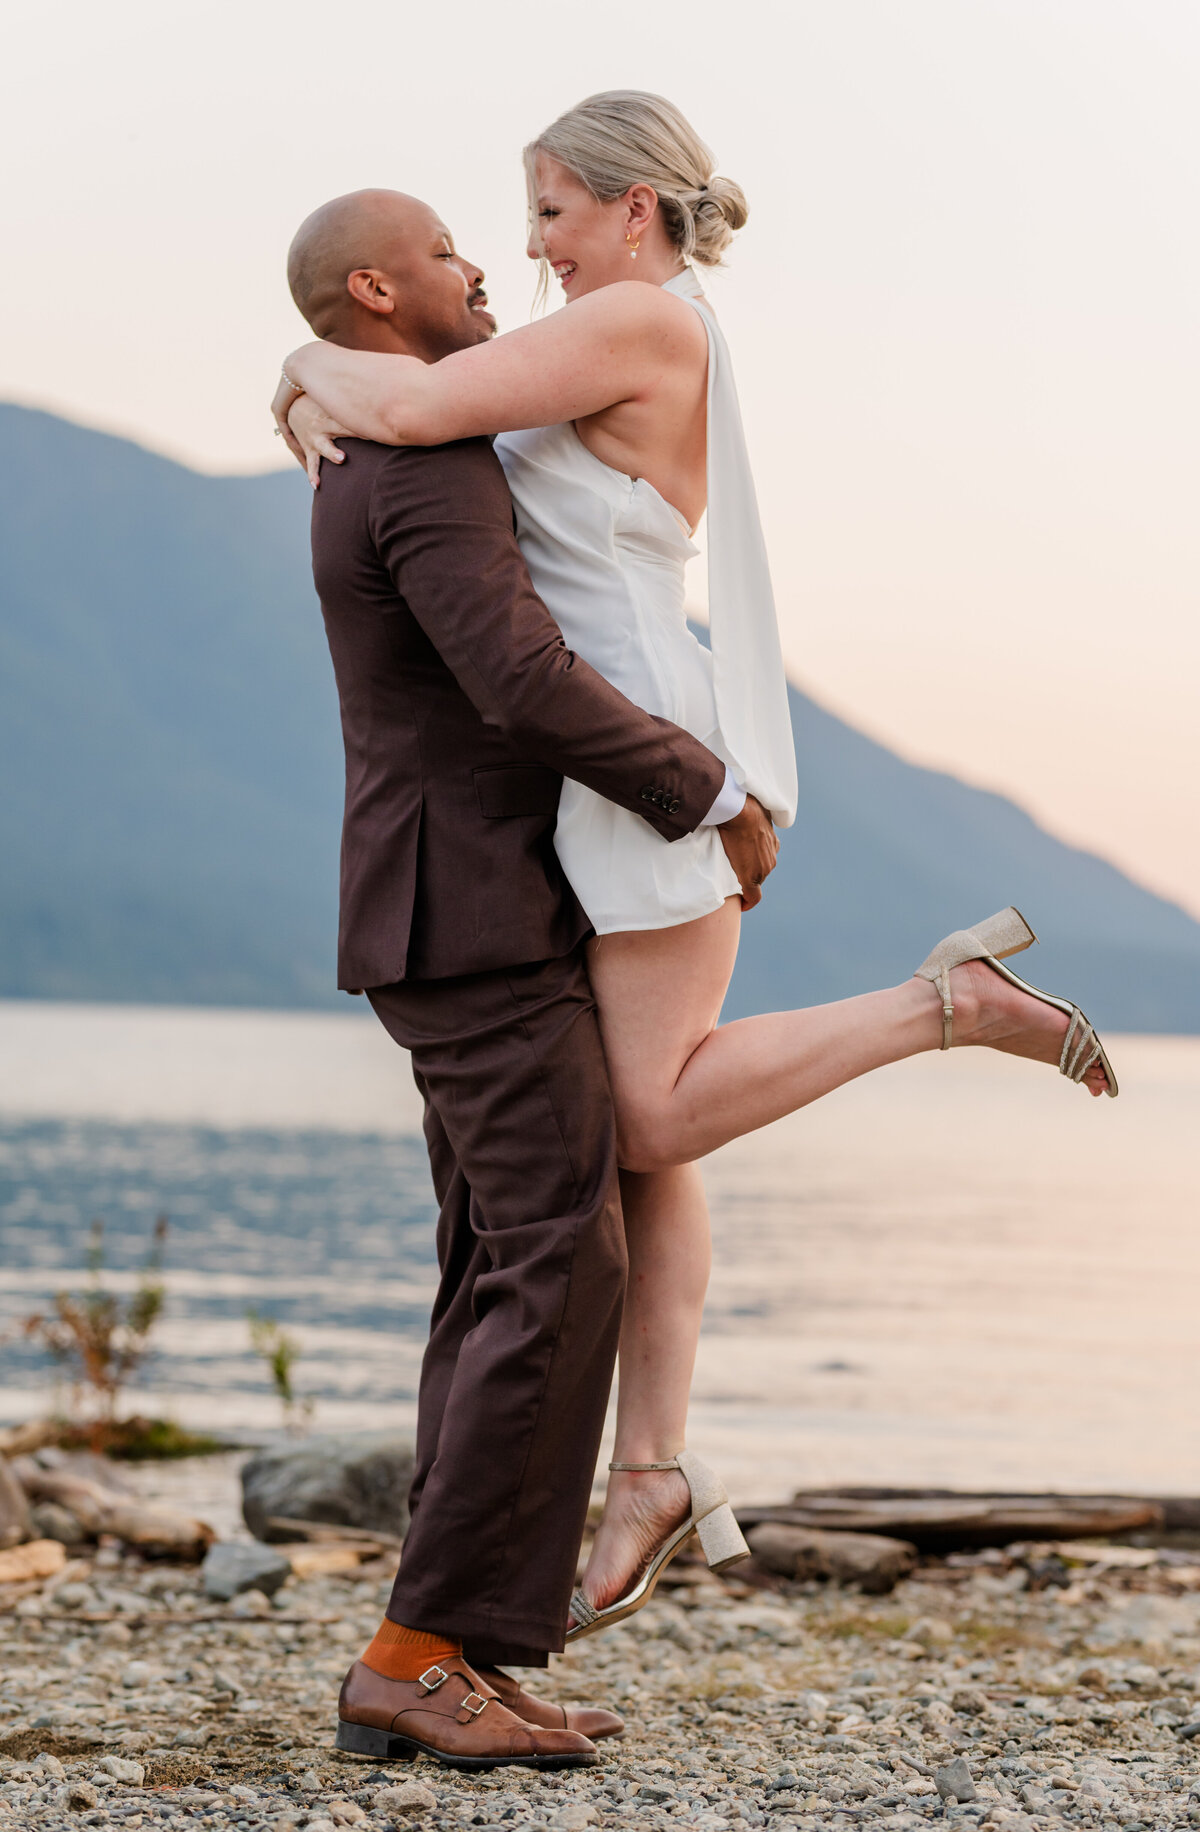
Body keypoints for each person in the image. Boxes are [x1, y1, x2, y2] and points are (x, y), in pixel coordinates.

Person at [275, 92, 1117, 1646]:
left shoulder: (646, 321)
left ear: (634, 209)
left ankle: (945, 1007)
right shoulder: (599, 332)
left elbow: (412, 399)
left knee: (652, 1115)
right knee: (645, 1138)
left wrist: (305, 364)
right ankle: (649, 1470)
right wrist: (318, 363)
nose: (531, 246)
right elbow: (416, 386)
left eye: (549, 212)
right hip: (610, 759)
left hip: (648, 747)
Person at [286, 184, 777, 1766]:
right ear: (378, 291)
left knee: (501, 1273)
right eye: (446, 250)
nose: (484, 263)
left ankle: (467, 1651)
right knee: (560, 1265)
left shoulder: (386, 440)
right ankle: (410, 1658)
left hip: (460, 910)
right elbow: (518, 677)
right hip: (472, 916)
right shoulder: (423, 459)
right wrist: (705, 788)